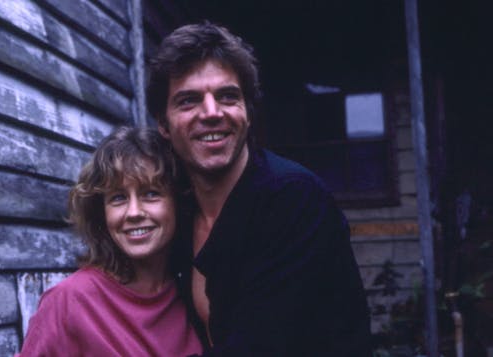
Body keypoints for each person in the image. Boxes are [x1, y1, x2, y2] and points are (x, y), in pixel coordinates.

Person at [146, 22, 372, 356]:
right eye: (189, 100)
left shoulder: (293, 198)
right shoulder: (178, 208)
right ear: (163, 124)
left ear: (248, 113)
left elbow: (261, 346)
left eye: (228, 96)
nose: (212, 113)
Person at [17, 126, 202, 356]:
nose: (133, 212)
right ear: (101, 213)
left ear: (178, 203)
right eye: (118, 198)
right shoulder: (69, 302)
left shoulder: (195, 294)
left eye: (151, 193)